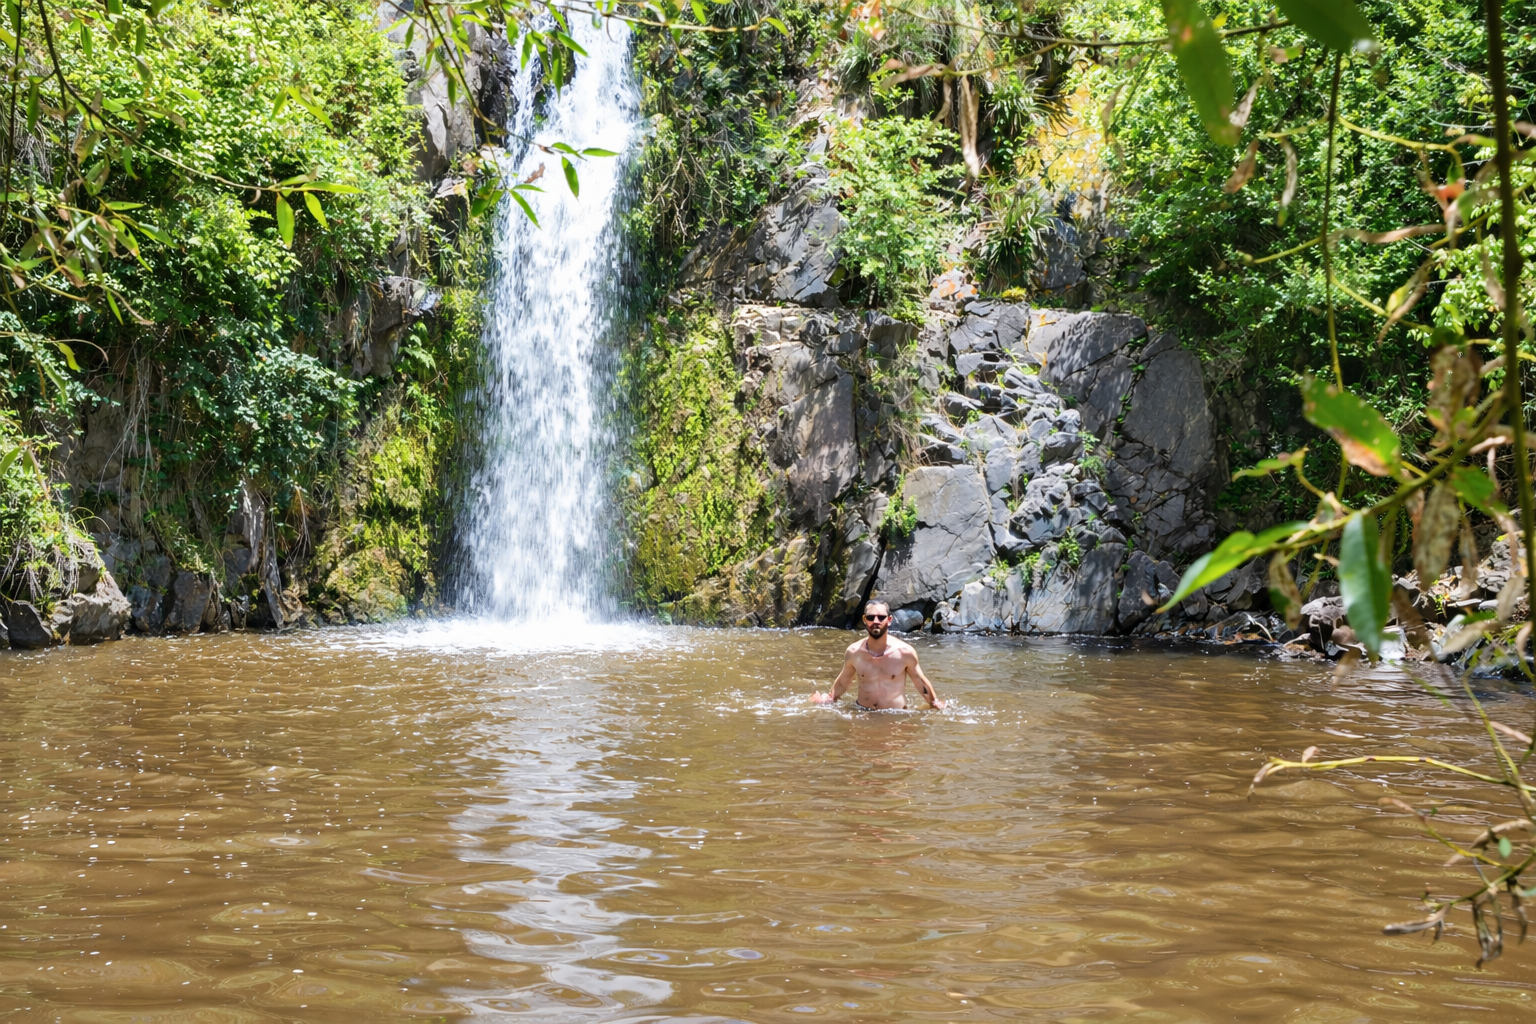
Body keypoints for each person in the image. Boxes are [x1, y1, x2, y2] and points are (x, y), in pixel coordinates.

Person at [810, 600, 946, 710]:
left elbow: (919, 681)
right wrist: (829, 698)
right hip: (863, 713)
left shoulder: (905, 652)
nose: (876, 621)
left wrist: (935, 703)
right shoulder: (854, 652)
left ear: (889, 620)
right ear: (864, 619)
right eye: (871, 617)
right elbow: (843, 681)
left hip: (896, 716)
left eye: (881, 617)